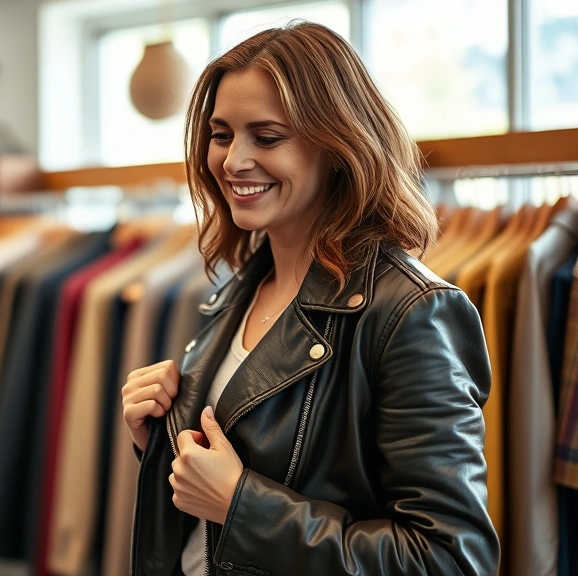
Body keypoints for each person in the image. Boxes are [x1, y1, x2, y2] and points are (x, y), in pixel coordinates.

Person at [121, 21, 499, 576]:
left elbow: (451, 558)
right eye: (221, 134)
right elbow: (215, 490)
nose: (231, 161)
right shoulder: (237, 291)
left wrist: (243, 507)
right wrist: (159, 438)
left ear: (338, 145)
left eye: (267, 137)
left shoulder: (409, 312)